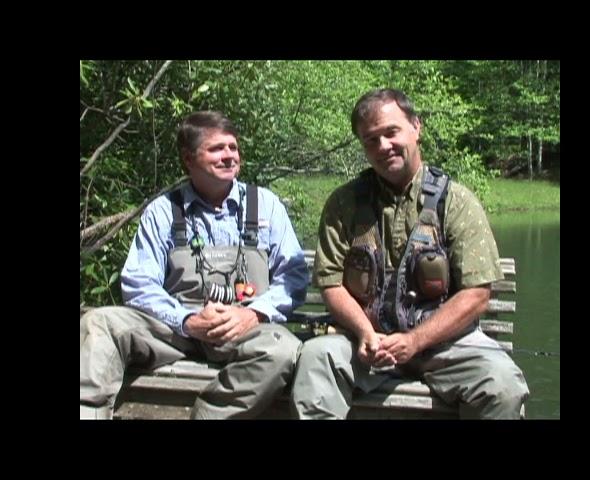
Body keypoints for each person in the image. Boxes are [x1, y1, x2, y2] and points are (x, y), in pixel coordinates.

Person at [291, 89, 529, 419]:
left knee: (502, 385)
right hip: (366, 345)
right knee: (316, 359)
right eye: (371, 140)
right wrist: (365, 334)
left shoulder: (456, 202)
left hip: (444, 346)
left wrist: (414, 341)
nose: (383, 146)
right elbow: (331, 284)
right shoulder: (343, 203)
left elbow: (476, 294)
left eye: (391, 132)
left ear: (416, 127)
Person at [80, 111, 308, 419]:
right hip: (177, 331)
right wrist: (187, 320)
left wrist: (253, 313)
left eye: (233, 147)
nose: (230, 156)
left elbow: (293, 277)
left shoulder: (265, 204)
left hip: (246, 329)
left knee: (283, 350)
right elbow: (138, 282)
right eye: (217, 149)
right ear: (188, 159)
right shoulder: (163, 211)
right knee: (100, 323)